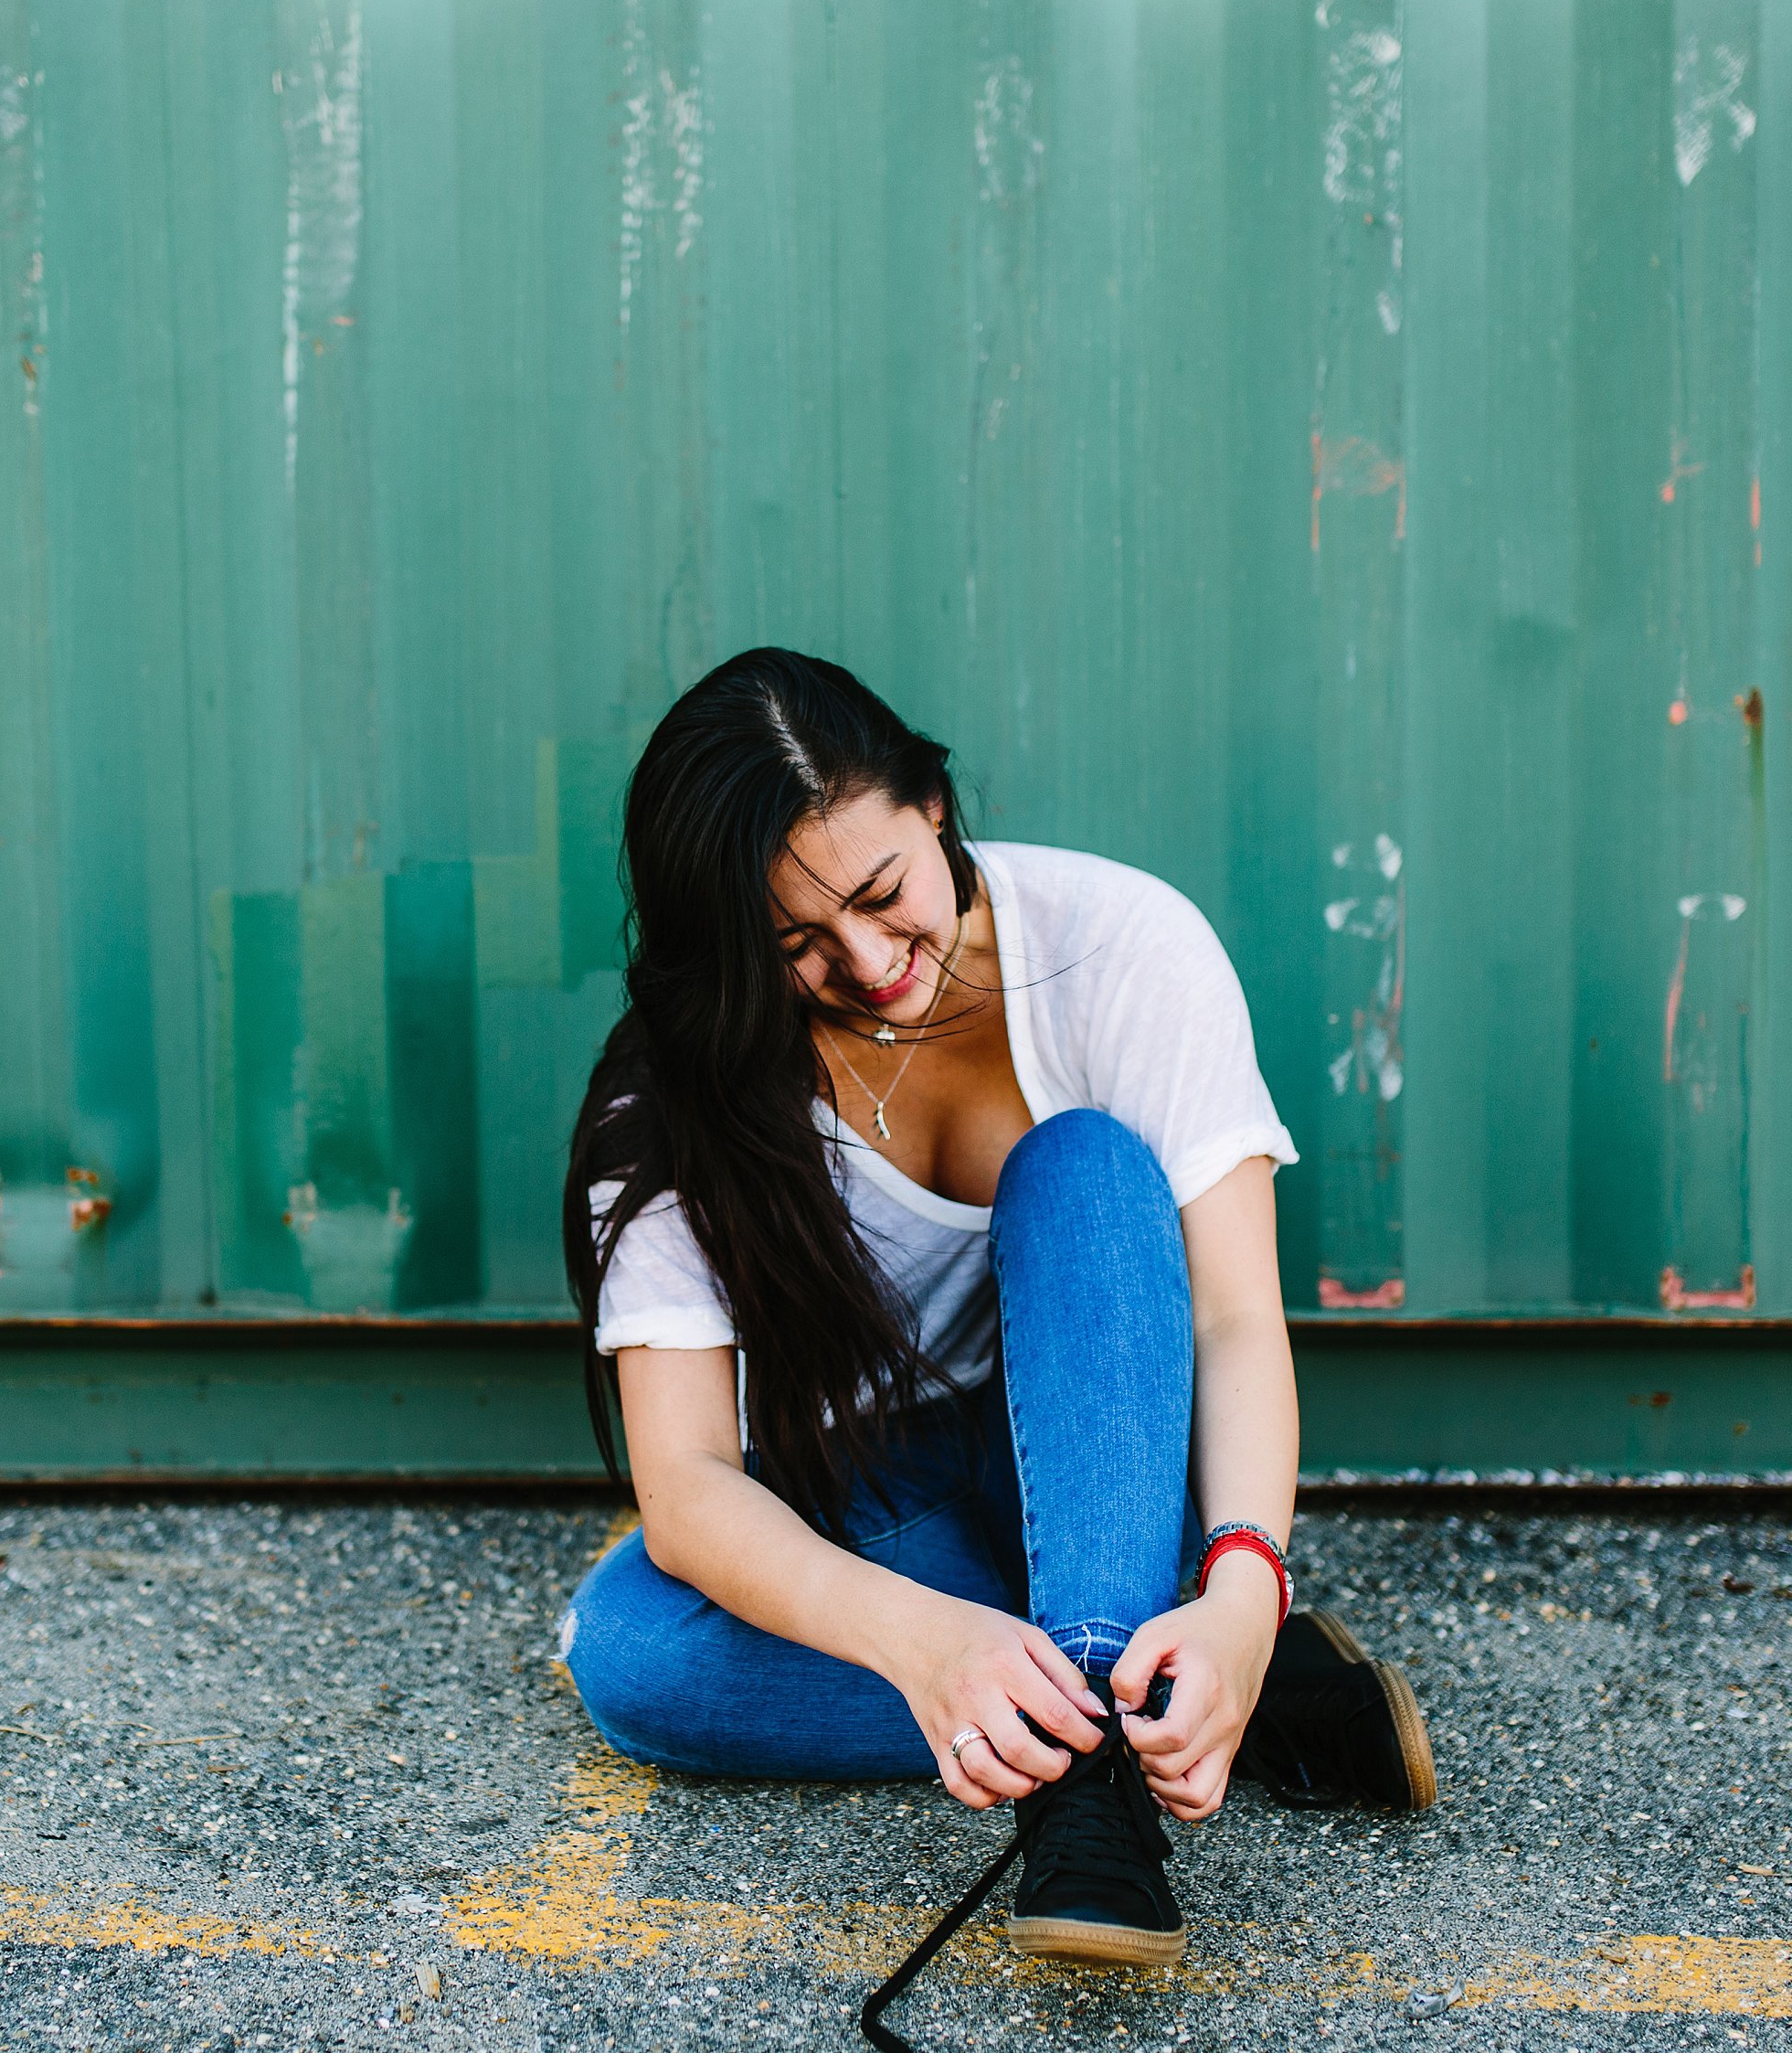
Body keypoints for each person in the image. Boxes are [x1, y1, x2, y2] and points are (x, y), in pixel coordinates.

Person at [556, 649, 1436, 1970]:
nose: (866, 960)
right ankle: (1176, 1703)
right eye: (794, 943)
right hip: (892, 1502)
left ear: (934, 807)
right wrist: (921, 1643)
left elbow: (1236, 1319)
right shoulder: (673, 1097)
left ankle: (1092, 1801)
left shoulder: (1120, 945)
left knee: (1083, 1166)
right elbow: (684, 1482)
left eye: (879, 892)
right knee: (631, 1653)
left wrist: (1248, 1587)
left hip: (1107, 1457)